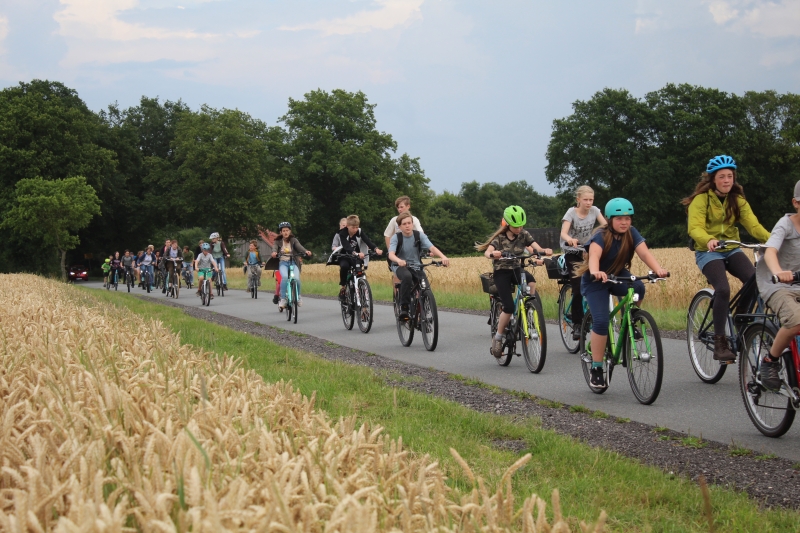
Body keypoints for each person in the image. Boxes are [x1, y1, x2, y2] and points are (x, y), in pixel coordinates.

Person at [683, 155, 771, 362]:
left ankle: (741, 315)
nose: (726, 180)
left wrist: (774, 241)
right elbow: (695, 228)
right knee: (722, 289)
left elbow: (754, 226)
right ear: (713, 179)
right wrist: (709, 239)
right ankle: (720, 341)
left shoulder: (737, 200)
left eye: (729, 176)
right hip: (708, 251)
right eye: (722, 176)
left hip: (731, 248)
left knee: (755, 280)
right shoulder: (701, 200)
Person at [575, 198, 668, 388]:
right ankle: (597, 368)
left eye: (627, 218)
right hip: (596, 280)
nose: (624, 222)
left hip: (617, 275)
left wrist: (658, 269)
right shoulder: (601, 235)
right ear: (610, 219)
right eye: (619, 219)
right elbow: (594, 256)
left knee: (639, 286)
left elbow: (644, 253)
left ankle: (631, 318)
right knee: (601, 321)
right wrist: (595, 271)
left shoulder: (631, 233)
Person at [475, 206, 552, 358]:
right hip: (502, 272)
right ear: (508, 224)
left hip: (517, 269)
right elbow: (487, 252)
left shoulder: (524, 234)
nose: (519, 229)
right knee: (509, 307)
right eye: (516, 226)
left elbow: (535, 248)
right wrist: (493, 254)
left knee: (531, 282)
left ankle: (529, 308)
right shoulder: (499, 238)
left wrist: (542, 253)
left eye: (521, 225)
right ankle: (498, 338)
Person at [755, 180, 800, 390]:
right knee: (796, 321)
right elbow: (771, 251)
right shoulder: (785, 225)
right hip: (778, 285)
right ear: (796, 203)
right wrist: (778, 272)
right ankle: (770, 360)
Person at [560, 185, 607, 340]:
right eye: (585, 199)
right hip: (573, 252)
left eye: (591, 200)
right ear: (578, 199)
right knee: (578, 288)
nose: (588, 203)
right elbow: (563, 233)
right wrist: (570, 239)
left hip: (588, 251)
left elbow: (606, 226)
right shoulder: (571, 213)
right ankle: (577, 323)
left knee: (599, 280)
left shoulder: (595, 211)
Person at [389, 212, 449, 320]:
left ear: (412, 224)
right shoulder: (396, 238)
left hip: (417, 266)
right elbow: (391, 254)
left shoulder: (419, 236)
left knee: (425, 288)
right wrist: (399, 260)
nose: (407, 226)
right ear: (400, 227)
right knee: (407, 276)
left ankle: (424, 314)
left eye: (409, 223)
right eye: (404, 224)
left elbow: (432, 247)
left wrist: (443, 257)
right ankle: (404, 307)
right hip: (400, 266)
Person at [334, 215, 383, 301]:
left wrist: (376, 249)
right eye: (353, 228)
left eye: (357, 227)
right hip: (345, 256)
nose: (355, 230)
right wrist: (355, 253)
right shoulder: (342, 233)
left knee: (359, 270)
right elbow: (347, 246)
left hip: (356, 256)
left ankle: (361, 286)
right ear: (348, 226)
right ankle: (343, 287)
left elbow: (367, 241)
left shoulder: (359, 232)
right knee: (344, 266)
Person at [271, 222, 312, 309]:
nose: (285, 232)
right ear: (281, 232)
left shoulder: (294, 240)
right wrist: (274, 252)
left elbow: (299, 247)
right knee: (284, 277)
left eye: (287, 230)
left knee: (296, 278)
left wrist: (306, 251)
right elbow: (274, 248)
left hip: (293, 262)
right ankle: (283, 299)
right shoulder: (277, 241)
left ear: (290, 231)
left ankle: (298, 297)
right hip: (283, 263)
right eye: (283, 231)